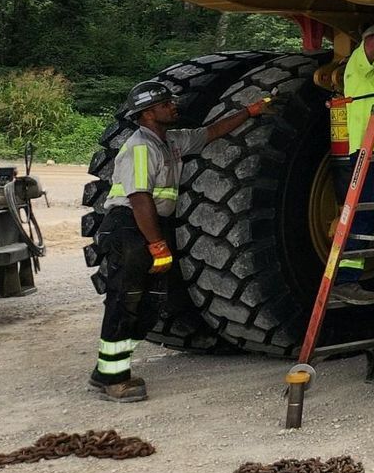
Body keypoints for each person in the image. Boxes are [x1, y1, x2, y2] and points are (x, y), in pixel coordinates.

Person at [91, 79, 269, 402]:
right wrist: (156, 244)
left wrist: (249, 112)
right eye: (165, 104)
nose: (174, 106)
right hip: (131, 227)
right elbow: (140, 199)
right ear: (147, 114)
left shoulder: (170, 141)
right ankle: (111, 378)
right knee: (125, 298)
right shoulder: (141, 147)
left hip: (148, 226)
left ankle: (108, 369)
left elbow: (211, 132)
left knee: (148, 302)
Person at [329, 22, 374, 308]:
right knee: (363, 216)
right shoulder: (361, 61)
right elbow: (372, 44)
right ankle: (346, 281)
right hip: (370, 149)